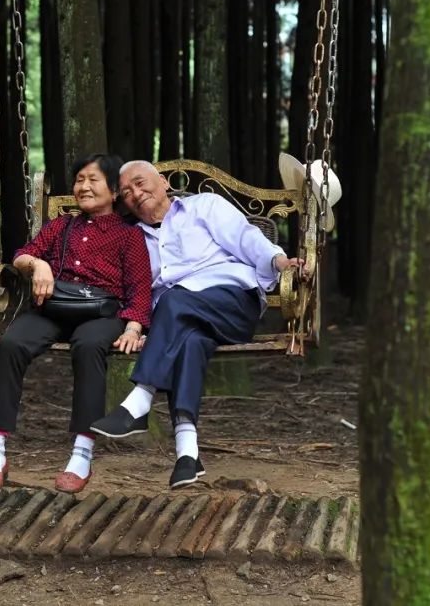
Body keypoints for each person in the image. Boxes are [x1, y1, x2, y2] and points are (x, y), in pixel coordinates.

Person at [90, 160, 307, 488]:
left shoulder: (204, 207)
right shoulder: (132, 238)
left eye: (140, 182)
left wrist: (279, 261)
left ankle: (140, 400)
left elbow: (247, 239)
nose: (135, 193)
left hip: (231, 302)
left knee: (173, 300)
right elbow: (134, 291)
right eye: (127, 192)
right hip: (178, 319)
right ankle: (187, 455)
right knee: (189, 341)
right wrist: (146, 330)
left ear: (164, 182)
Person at [0, 154, 152, 493]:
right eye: (79, 180)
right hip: (53, 309)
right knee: (11, 344)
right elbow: (22, 255)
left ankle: (82, 453)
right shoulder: (61, 226)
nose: (83, 186)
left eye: (93, 180)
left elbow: (140, 288)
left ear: (114, 191)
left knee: (88, 347)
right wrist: (38, 265)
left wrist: (133, 327)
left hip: (101, 314)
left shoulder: (129, 236)